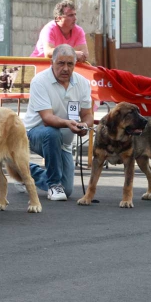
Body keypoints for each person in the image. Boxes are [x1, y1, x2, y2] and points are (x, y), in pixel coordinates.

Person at [22, 44, 94, 201]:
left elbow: (88, 115)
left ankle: (24, 172)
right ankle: (53, 184)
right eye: (61, 63)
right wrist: (69, 123)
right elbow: (47, 119)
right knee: (51, 132)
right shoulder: (39, 81)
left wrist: (84, 125)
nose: (66, 68)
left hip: (64, 142)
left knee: (67, 190)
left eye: (70, 64)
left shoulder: (82, 83)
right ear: (51, 63)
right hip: (35, 133)